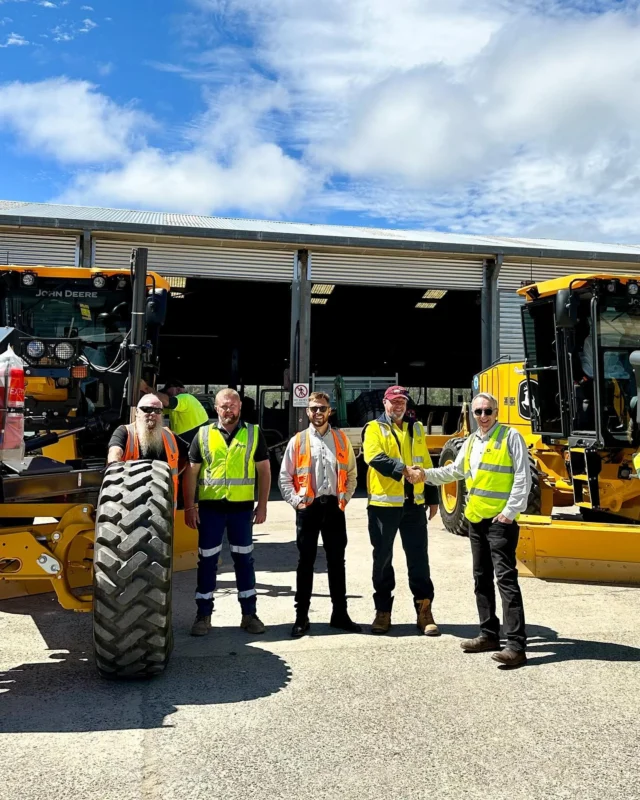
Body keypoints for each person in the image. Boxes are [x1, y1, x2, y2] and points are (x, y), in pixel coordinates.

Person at [423, 392, 531, 668]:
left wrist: (509, 513)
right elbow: (454, 472)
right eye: (478, 412)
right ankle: (488, 634)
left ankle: (516, 646)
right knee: (481, 579)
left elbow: (522, 476)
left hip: (500, 523)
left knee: (506, 581)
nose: (483, 417)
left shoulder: (510, 437)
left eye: (487, 412)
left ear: (496, 412)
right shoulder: (471, 441)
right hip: (476, 521)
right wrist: (424, 474)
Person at [184, 388, 271, 636]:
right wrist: (190, 506)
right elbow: (191, 473)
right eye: (224, 406)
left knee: (244, 560)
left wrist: (262, 505)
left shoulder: (253, 433)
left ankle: (249, 615)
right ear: (216, 408)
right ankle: (203, 616)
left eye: (232, 405)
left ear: (240, 407)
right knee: (207, 562)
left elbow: (264, 471)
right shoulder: (203, 435)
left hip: (241, 510)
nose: (228, 410)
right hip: (210, 509)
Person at [279, 391, 360, 638]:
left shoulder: (341, 440)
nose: (318, 412)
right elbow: (285, 476)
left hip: (334, 507)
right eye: (313, 408)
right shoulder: (298, 441)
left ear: (329, 411)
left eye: (322, 408)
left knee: (337, 563)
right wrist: (296, 502)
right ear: (307, 411)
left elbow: (353, 473)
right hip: (309, 508)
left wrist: (344, 498)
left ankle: (340, 615)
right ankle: (301, 617)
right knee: (306, 563)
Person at [362, 385, 440, 636]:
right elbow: (374, 458)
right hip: (384, 506)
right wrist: (405, 470)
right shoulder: (374, 428)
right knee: (383, 560)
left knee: (419, 560)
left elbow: (425, 462)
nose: (398, 405)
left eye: (402, 401)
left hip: (413, 505)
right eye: (394, 401)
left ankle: (424, 610)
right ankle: (383, 611)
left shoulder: (416, 428)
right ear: (385, 403)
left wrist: (432, 496)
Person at [107, 394, 185, 502]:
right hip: (129, 503)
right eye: (147, 409)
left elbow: (189, 457)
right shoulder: (125, 431)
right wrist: (114, 468)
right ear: (137, 413)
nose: (152, 414)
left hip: (164, 505)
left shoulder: (169, 436)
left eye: (157, 411)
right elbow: (115, 451)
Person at [142, 379, 209, 446]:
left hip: (193, 442)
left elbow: (167, 401)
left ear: (178, 389)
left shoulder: (185, 398)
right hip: (189, 442)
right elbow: (160, 408)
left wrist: (147, 389)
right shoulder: (176, 407)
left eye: (168, 393)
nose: (167, 395)